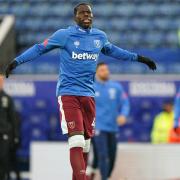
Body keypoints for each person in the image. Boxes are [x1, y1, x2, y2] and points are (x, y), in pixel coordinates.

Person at [5, 3, 156, 180]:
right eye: (82, 13)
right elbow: (39, 48)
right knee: (76, 139)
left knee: (85, 143)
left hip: (88, 95)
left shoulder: (100, 36)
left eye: (89, 13)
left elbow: (115, 51)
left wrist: (139, 58)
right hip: (68, 93)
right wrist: (16, 61)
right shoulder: (64, 35)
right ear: (75, 16)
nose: (86, 15)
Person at [89, 62, 129, 180]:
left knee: (112, 156)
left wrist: (123, 115)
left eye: (106, 69)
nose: (105, 72)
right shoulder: (91, 87)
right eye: (102, 70)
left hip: (113, 127)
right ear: (96, 73)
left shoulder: (116, 87)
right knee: (103, 155)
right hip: (98, 127)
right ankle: (104, 177)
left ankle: (106, 175)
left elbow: (125, 103)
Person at [0, 75, 19, 180]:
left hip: (4, 134)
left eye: (1, 82)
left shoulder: (7, 98)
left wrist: (15, 135)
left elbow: (12, 118)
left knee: (3, 159)